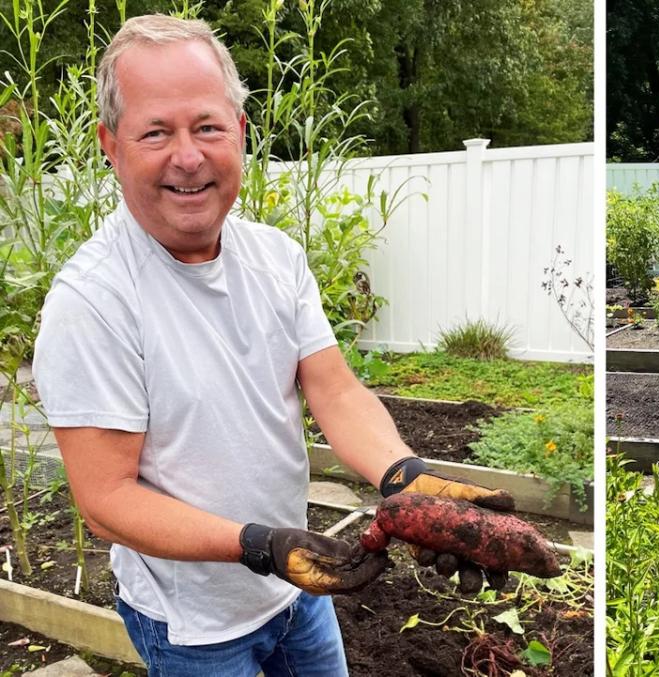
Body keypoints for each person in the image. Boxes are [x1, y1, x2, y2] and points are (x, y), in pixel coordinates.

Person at [32, 14, 515, 676]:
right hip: (193, 623)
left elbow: (334, 388)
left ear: (241, 132)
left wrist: (404, 476)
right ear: (110, 145)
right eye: (155, 132)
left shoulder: (275, 257)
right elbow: (106, 501)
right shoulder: (92, 302)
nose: (188, 155)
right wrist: (259, 544)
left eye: (207, 125)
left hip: (295, 586)